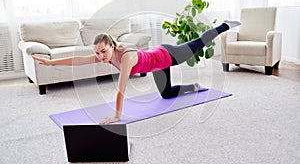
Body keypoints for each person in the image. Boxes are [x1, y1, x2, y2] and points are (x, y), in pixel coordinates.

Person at [32, 20, 241, 124]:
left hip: (167, 55)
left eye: (103, 51)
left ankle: (224, 25)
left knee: (197, 43)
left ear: (112, 46)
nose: (101, 56)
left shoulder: (127, 58)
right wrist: (50, 63)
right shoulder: (104, 55)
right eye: (97, 53)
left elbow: (121, 90)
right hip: (157, 65)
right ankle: (193, 87)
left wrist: (116, 115)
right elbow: (78, 61)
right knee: (167, 93)